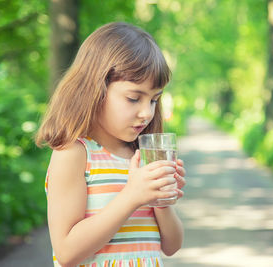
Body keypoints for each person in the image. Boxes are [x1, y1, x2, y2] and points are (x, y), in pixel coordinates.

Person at [35, 22, 186, 267]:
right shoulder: (74, 154)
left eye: (154, 100)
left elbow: (172, 246)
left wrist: (160, 200)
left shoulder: (139, 156)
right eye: (133, 98)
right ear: (95, 88)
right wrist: (132, 196)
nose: (146, 113)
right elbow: (66, 252)